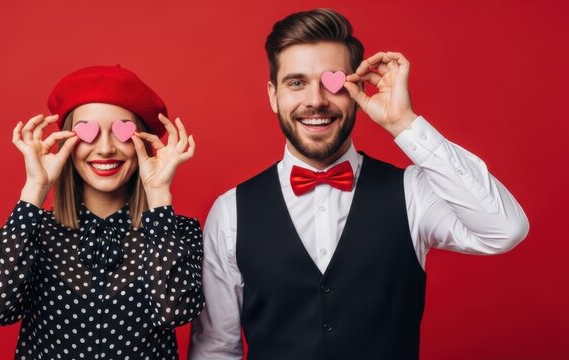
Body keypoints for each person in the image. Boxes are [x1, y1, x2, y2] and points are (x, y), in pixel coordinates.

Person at [188, 8, 529, 360]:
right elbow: (215, 348)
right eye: (296, 82)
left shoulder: (411, 193)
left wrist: (404, 123)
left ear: (356, 88)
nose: (316, 100)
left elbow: (505, 229)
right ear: (274, 96)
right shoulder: (230, 212)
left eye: (333, 81)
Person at [0, 65, 204, 359]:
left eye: (122, 131)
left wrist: (158, 194)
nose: (105, 148)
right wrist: (35, 189)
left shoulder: (177, 231)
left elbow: (176, 312)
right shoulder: (36, 230)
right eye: (88, 132)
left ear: (141, 140)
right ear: (68, 142)